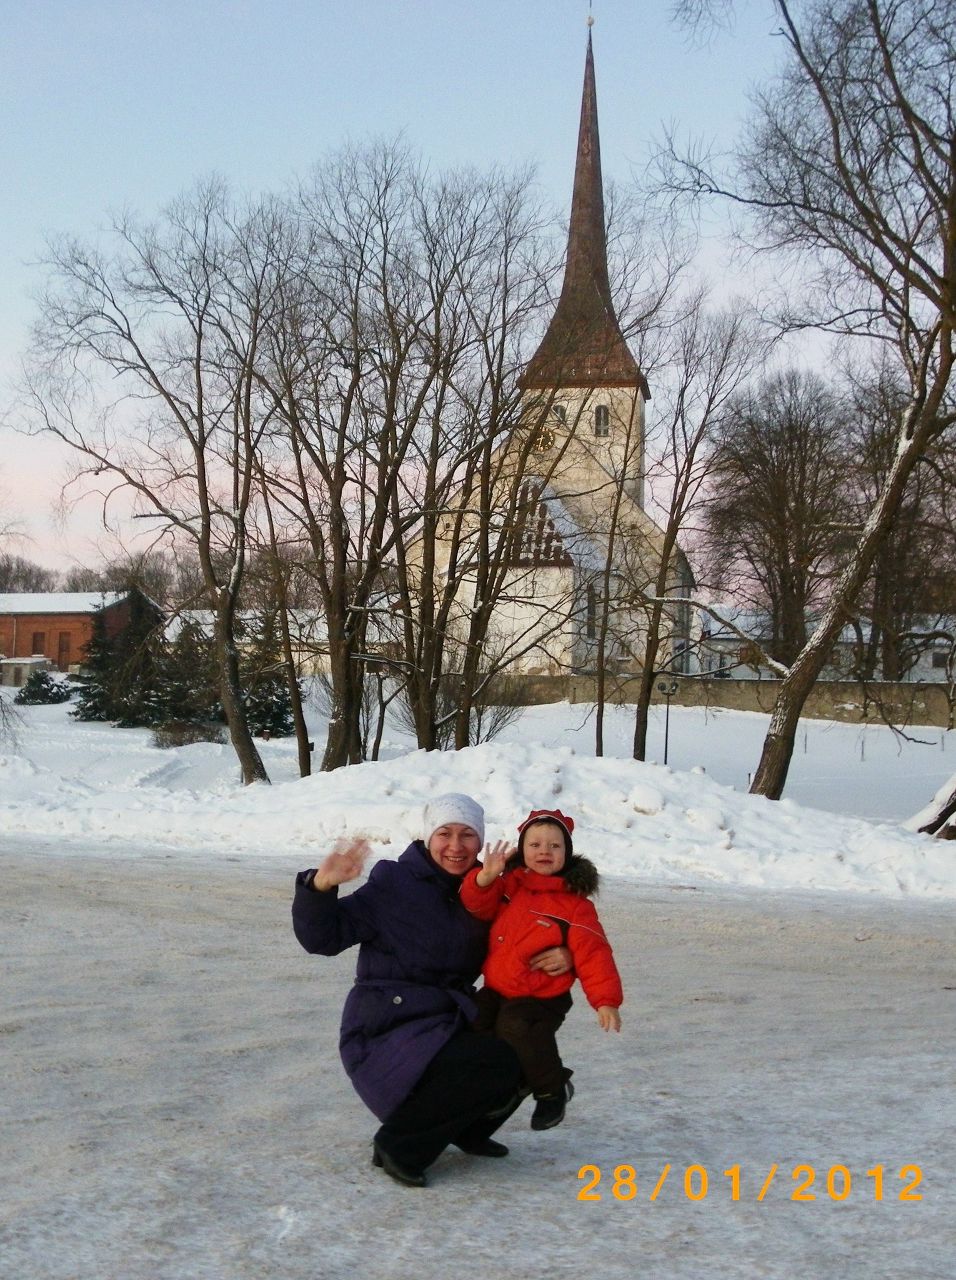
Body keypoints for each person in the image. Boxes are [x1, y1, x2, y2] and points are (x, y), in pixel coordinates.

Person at [291, 793, 570, 1188]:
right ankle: (398, 1145)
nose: (455, 847)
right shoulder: (394, 883)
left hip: (447, 1018)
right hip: (387, 1026)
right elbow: (322, 938)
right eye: (445, 834)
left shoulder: (489, 888)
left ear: (481, 841)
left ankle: (467, 1130)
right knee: (490, 1058)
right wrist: (320, 886)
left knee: (525, 1041)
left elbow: (530, 929)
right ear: (427, 837)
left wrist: (565, 951)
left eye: (467, 835)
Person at [459, 807, 623, 1130]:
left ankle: (551, 1091)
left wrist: (606, 1001)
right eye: (535, 845)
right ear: (522, 850)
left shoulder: (576, 905)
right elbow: (475, 904)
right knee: (473, 1023)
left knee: (517, 1027)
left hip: (541, 996)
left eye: (554, 846)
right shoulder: (509, 886)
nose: (544, 852)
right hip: (498, 988)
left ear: (568, 853)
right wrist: (485, 878)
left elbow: (594, 953)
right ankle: (497, 1093)